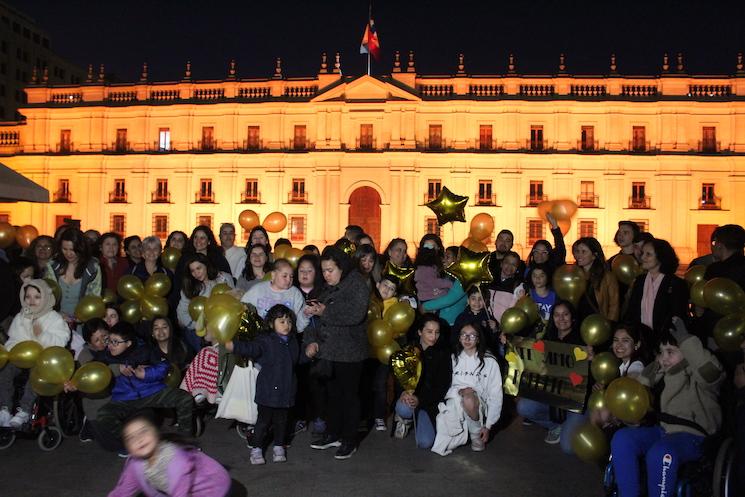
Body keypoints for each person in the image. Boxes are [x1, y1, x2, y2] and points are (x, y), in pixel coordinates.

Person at [610, 317, 724, 497]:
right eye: (661, 352)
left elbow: (711, 372)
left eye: (670, 352)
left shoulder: (701, 377)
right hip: (663, 431)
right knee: (622, 438)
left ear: (688, 351)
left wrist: (687, 341)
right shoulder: (662, 373)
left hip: (693, 436)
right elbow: (639, 389)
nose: (664, 358)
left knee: (661, 453)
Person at [224, 304, 315, 464]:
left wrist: (307, 354)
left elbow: (298, 359)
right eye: (282, 321)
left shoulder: (293, 341)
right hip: (267, 391)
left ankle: (279, 445)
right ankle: (256, 448)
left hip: (286, 391)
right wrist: (235, 346)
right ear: (272, 324)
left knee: (282, 422)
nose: (286, 325)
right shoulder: (265, 340)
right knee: (263, 422)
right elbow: (251, 348)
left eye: (288, 321)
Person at [304, 246, 369, 460]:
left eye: (330, 270)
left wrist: (326, 311)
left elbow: (355, 314)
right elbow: (317, 316)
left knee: (349, 396)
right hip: (328, 351)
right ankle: (333, 433)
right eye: (323, 270)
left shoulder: (357, 283)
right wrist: (313, 318)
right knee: (332, 395)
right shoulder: (327, 286)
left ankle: (349, 438)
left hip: (349, 351)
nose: (326, 274)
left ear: (342, 267)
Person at [96, 323, 194, 452]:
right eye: (109, 341)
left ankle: (184, 443)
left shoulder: (144, 350)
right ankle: (134, 444)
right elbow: (93, 371)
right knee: (104, 414)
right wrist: (114, 369)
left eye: (115, 342)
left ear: (128, 343)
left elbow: (163, 367)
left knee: (184, 398)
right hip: (124, 398)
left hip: (150, 392)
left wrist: (145, 374)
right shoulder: (105, 356)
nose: (110, 345)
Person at [516, 300, 587, 451]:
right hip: (551, 395)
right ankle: (555, 426)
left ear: (572, 317)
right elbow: (528, 354)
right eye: (557, 315)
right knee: (524, 407)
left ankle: (575, 424)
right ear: (552, 318)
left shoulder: (584, 341)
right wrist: (510, 342)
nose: (561, 319)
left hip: (575, 402)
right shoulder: (548, 339)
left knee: (568, 447)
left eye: (565, 314)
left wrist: (591, 359)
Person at [0, 279, 71, 428]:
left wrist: (41, 335)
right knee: (5, 371)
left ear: (45, 297)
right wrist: (13, 352)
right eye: (28, 296)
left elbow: (61, 342)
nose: (32, 301)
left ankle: (24, 411)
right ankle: (5, 409)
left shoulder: (55, 318)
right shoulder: (21, 317)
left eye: (37, 297)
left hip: (43, 359)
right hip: (22, 359)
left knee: (36, 375)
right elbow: (13, 339)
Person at [107, 412, 231, 497]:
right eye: (131, 438)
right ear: (127, 447)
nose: (138, 439)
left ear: (157, 433)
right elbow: (123, 491)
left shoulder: (177, 461)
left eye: (143, 431)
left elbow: (180, 493)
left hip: (213, 487)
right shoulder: (135, 463)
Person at [431, 323, 502, 455]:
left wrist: (488, 426)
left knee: (469, 398)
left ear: (479, 339)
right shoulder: (452, 358)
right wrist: (459, 391)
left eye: (472, 335)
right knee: (439, 442)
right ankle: (463, 431)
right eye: (464, 335)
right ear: (459, 338)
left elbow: (495, 395)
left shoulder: (489, 361)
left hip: (478, 403)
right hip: (454, 400)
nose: (467, 339)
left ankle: (476, 434)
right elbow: (442, 386)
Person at [393, 314, 452, 448]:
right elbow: (399, 377)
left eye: (437, 332)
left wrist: (420, 400)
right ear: (420, 332)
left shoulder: (443, 354)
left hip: (429, 404)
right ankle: (405, 419)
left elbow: (442, 387)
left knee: (425, 442)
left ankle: (417, 419)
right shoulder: (409, 349)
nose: (433, 336)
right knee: (404, 408)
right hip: (409, 398)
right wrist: (403, 392)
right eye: (429, 332)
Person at [624, 238, 687, 340]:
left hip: (666, 341)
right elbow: (632, 311)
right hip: (641, 340)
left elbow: (678, 316)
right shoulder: (639, 281)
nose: (643, 257)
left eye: (648, 254)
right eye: (643, 253)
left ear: (661, 258)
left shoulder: (676, 284)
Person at [177, 253, 235, 353]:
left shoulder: (224, 278)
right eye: (193, 271)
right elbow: (182, 313)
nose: (196, 273)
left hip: (224, 326)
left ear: (206, 265)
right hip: (199, 332)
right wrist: (200, 326)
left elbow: (234, 301)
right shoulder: (188, 287)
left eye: (198, 268)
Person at [240, 259, 309, 331]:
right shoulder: (258, 289)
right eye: (284, 276)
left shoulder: (295, 293)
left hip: (285, 336)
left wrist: (306, 314)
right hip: (261, 334)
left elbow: (299, 322)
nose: (288, 280)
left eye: (291, 276)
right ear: (273, 275)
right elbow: (243, 308)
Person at [75, 317, 112, 443]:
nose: (102, 341)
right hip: (96, 398)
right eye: (97, 340)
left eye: (104, 336)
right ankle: (89, 424)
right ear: (90, 343)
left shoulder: (115, 344)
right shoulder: (85, 355)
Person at [571, 237, 619, 322]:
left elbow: (614, 305)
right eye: (577, 251)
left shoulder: (607, 276)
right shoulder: (574, 274)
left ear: (594, 255)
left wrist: (610, 325)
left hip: (599, 324)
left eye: (584, 252)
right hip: (577, 323)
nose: (579, 255)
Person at [453, 286, 498, 351]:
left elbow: (493, 340)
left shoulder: (489, 318)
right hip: (464, 350)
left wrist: (494, 329)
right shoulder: (461, 317)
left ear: (485, 302)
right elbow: (455, 336)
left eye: (480, 299)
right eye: (473, 299)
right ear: (468, 301)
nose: (477, 302)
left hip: (483, 351)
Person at [414, 235, 452, 303]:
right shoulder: (423, 265)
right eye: (426, 246)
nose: (429, 249)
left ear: (438, 248)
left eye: (432, 246)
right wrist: (449, 284)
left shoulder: (442, 262)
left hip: (436, 296)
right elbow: (432, 281)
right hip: (429, 298)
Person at [526, 263, 557, 329]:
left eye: (542, 276)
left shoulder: (555, 296)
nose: (538, 278)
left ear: (547, 277)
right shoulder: (527, 294)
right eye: (534, 276)